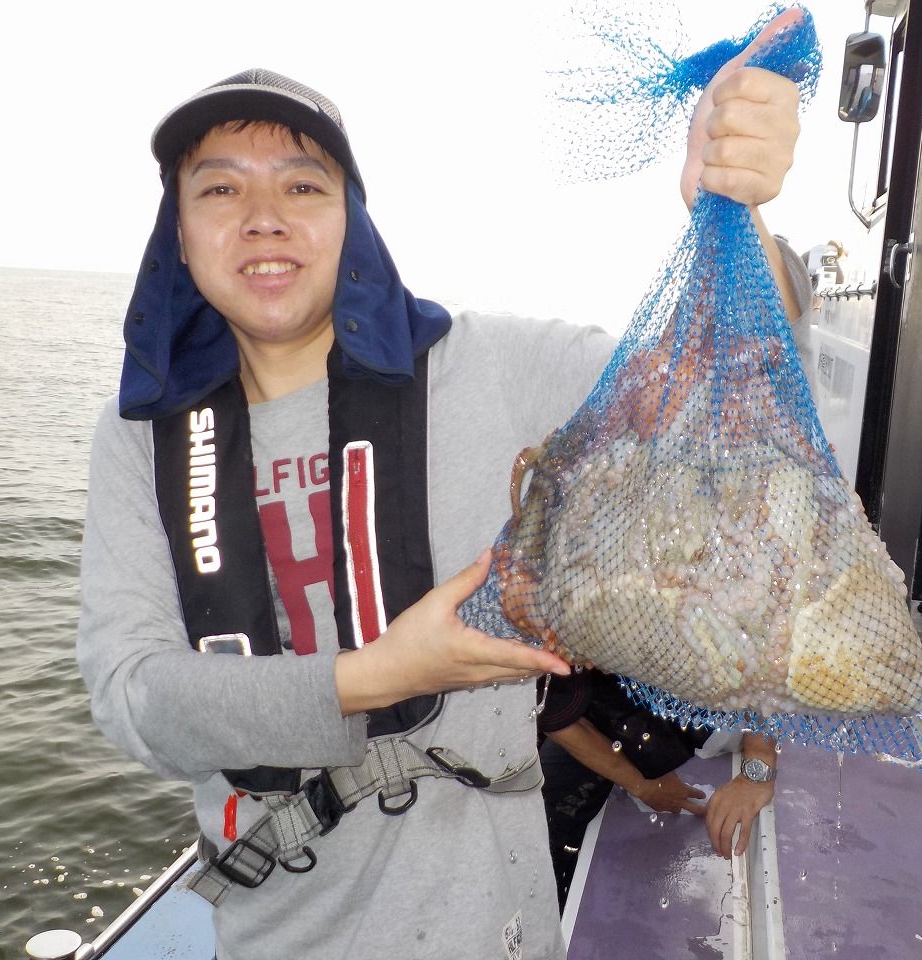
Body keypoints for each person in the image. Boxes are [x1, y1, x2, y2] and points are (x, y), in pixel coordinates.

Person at [76, 13, 812, 958]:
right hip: (274, 934)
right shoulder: (140, 440)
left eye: (303, 184)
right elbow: (134, 700)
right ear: (177, 234)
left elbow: (725, 391)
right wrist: (384, 675)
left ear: (352, 220)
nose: (264, 215)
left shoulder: (486, 367)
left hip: (491, 925)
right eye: (220, 187)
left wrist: (730, 212)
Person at [537, 668, 778, 911]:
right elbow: (554, 714)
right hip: (598, 706)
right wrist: (641, 784)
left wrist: (756, 770)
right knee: (546, 829)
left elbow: (765, 661)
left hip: (713, 715)